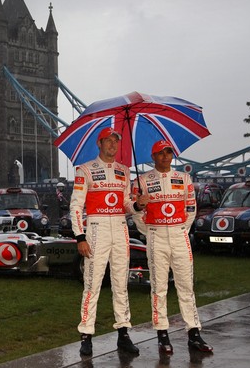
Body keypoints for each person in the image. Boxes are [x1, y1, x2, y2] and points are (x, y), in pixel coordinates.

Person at [70, 127, 147, 356]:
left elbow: (126, 205)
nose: (113, 145)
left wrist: (138, 205)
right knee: (92, 284)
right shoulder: (85, 170)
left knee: (121, 284)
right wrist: (80, 236)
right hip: (96, 228)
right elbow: (76, 205)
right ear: (99, 143)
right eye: (108, 141)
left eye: (116, 141)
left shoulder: (124, 171)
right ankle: (86, 335)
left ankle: (123, 333)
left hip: (120, 229)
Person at [132, 140, 213, 354]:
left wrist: (179, 229)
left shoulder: (184, 178)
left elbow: (191, 209)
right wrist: (149, 230)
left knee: (186, 286)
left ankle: (194, 333)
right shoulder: (142, 181)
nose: (166, 156)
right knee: (159, 287)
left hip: (179, 235)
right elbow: (136, 213)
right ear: (153, 157)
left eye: (169, 152)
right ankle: (162, 335)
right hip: (156, 236)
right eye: (161, 153)